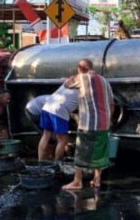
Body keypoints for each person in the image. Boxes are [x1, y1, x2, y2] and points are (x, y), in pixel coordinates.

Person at [62, 59, 114, 190]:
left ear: (81, 68)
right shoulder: (105, 81)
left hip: (88, 124)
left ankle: (77, 182)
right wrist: (109, 119)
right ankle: (97, 180)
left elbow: (66, 84)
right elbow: (112, 104)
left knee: (81, 151)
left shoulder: (81, 77)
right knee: (100, 152)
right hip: (103, 124)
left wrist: (75, 75)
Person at [38, 84, 79, 162]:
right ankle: (57, 164)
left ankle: (40, 162)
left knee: (46, 136)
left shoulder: (67, 83)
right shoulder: (83, 89)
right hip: (59, 110)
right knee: (62, 140)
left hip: (47, 106)